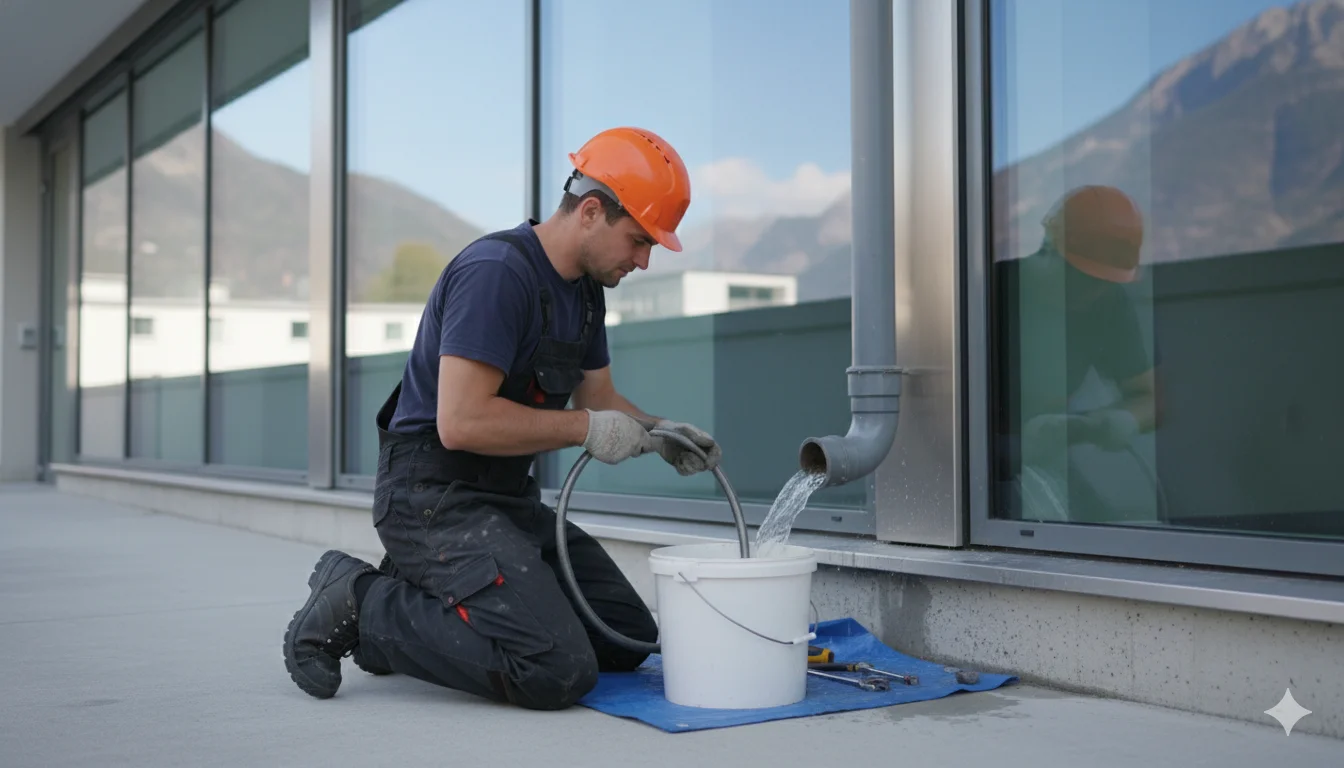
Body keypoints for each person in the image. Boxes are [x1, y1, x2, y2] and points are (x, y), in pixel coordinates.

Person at [282, 127, 721, 710]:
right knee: (556, 669)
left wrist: (660, 434)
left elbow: (599, 400)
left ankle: (425, 589)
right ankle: (361, 601)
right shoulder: (496, 274)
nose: (643, 260)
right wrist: (585, 429)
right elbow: (461, 422)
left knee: (625, 637)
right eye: (639, 240)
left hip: (506, 503)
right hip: (432, 499)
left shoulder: (586, 294)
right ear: (591, 211)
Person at [995, 184, 1162, 521]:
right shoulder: (995, 291)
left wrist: (1117, 420)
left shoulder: (1108, 304)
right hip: (973, 466)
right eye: (1082, 277)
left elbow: (1150, 397)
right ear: (1050, 250)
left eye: (1104, 281)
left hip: (1044, 461)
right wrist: (1009, 447)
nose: (1093, 291)